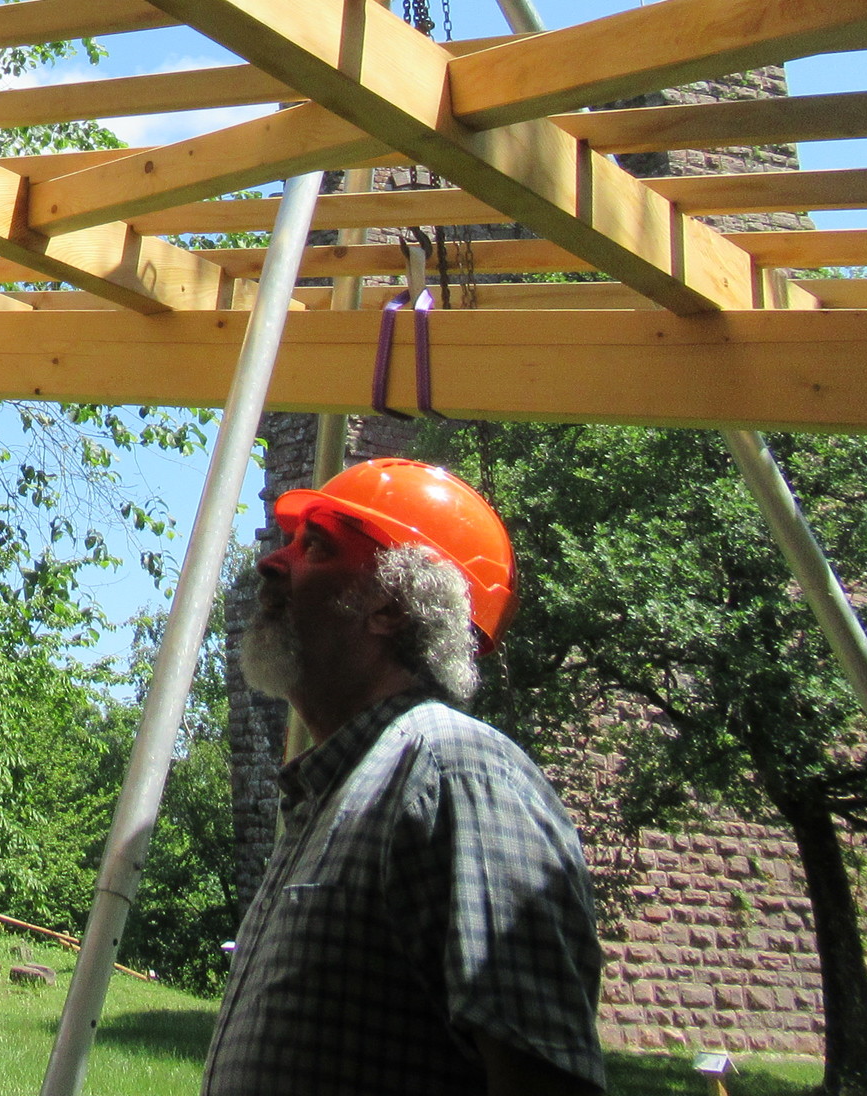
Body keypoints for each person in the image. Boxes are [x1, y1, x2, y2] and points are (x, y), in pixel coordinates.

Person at [209, 457, 604, 1096]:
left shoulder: (460, 777)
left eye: (315, 546)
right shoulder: (339, 790)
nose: (271, 563)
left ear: (391, 606)